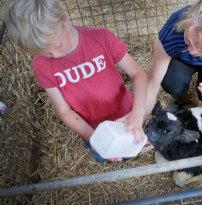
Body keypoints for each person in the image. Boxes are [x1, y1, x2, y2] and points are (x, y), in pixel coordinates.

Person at [2, 0, 151, 163]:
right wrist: (94, 138)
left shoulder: (101, 38)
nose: (56, 56)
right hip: (91, 127)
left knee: (130, 149)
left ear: (64, 19)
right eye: (46, 53)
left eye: (58, 44)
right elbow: (65, 112)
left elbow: (138, 73)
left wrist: (137, 112)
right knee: (102, 156)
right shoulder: (41, 66)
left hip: (126, 116)